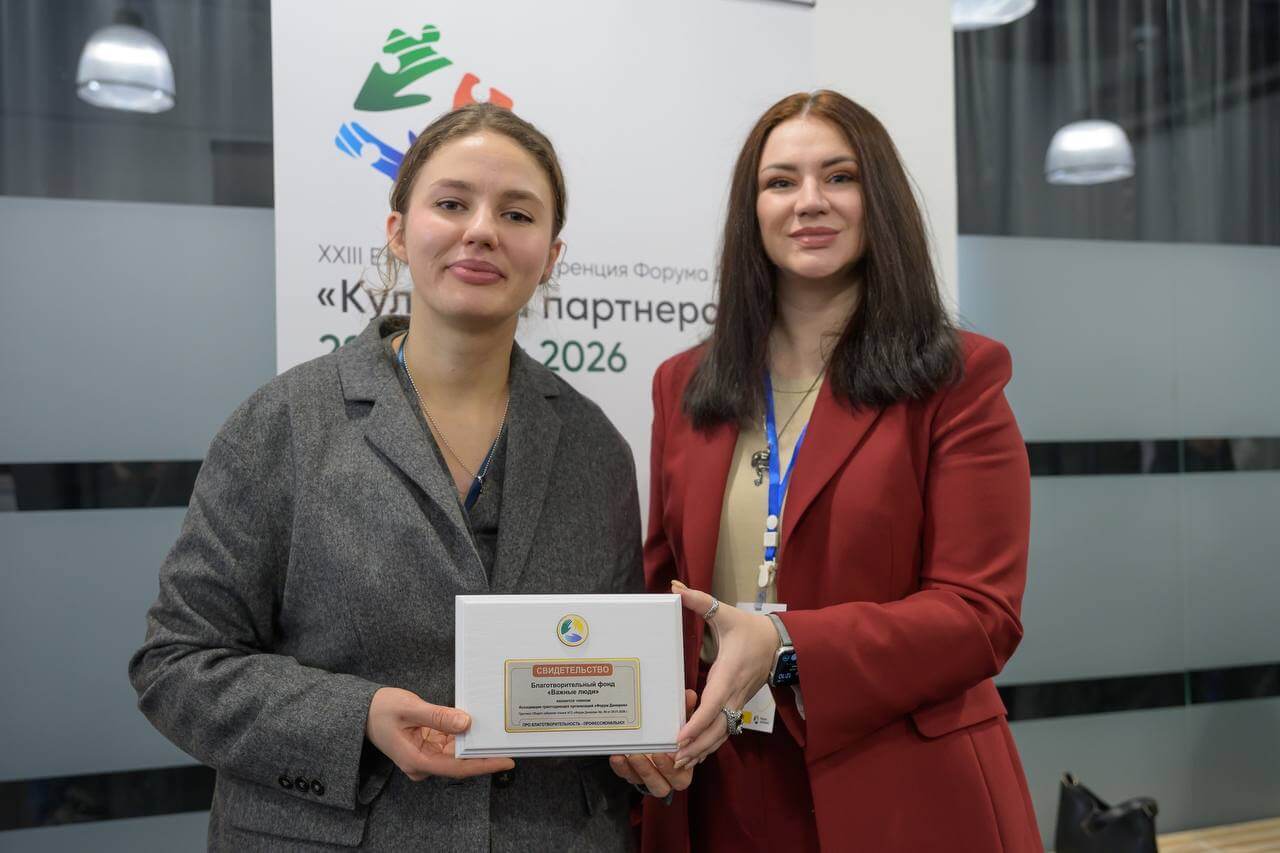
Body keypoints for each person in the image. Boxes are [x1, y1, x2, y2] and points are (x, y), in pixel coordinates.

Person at [129, 103, 644, 851]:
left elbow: (605, 672)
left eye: (517, 213)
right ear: (398, 231)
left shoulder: (596, 448)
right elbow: (176, 664)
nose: (483, 231)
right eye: (452, 203)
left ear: (551, 255)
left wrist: (645, 731)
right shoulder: (283, 424)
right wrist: (357, 718)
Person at [621, 90, 1043, 851]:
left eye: (839, 177)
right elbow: (662, 590)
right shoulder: (682, 385)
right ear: (752, 210)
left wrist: (785, 642)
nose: (809, 201)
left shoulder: (957, 377)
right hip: (716, 780)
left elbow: (981, 614)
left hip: (899, 784)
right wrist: (638, 720)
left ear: (879, 199)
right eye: (780, 181)